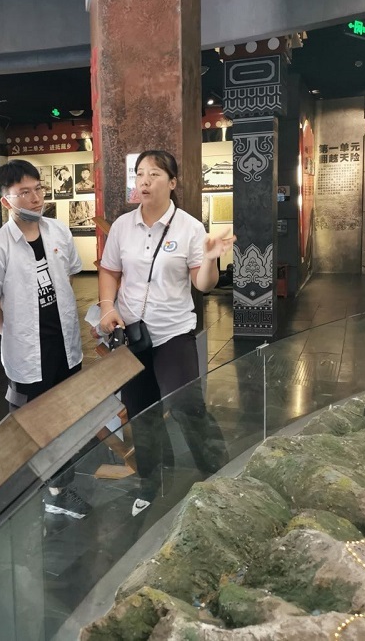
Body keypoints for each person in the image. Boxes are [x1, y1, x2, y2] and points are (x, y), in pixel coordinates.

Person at [98, 150, 235, 517]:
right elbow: (109, 270)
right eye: (140, 173)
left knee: (186, 405)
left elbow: (203, 285)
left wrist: (210, 258)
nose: (144, 181)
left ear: (172, 182)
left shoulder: (189, 227)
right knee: (140, 411)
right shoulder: (123, 226)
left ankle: (218, 476)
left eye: (154, 174)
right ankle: (151, 479)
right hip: (132, 334)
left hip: (173, 332)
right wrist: (108, 307)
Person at [0, 160, 91, 519]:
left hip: (64, 346)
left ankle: (61, 482)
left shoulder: (58, 232)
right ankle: (52, 491)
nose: (35, 197)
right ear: (6, 200)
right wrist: (17, 336)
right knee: (35, 423)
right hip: (28, 354)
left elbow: (68, 278)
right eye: (24, 192)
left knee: (66, 416)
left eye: (38, 188)